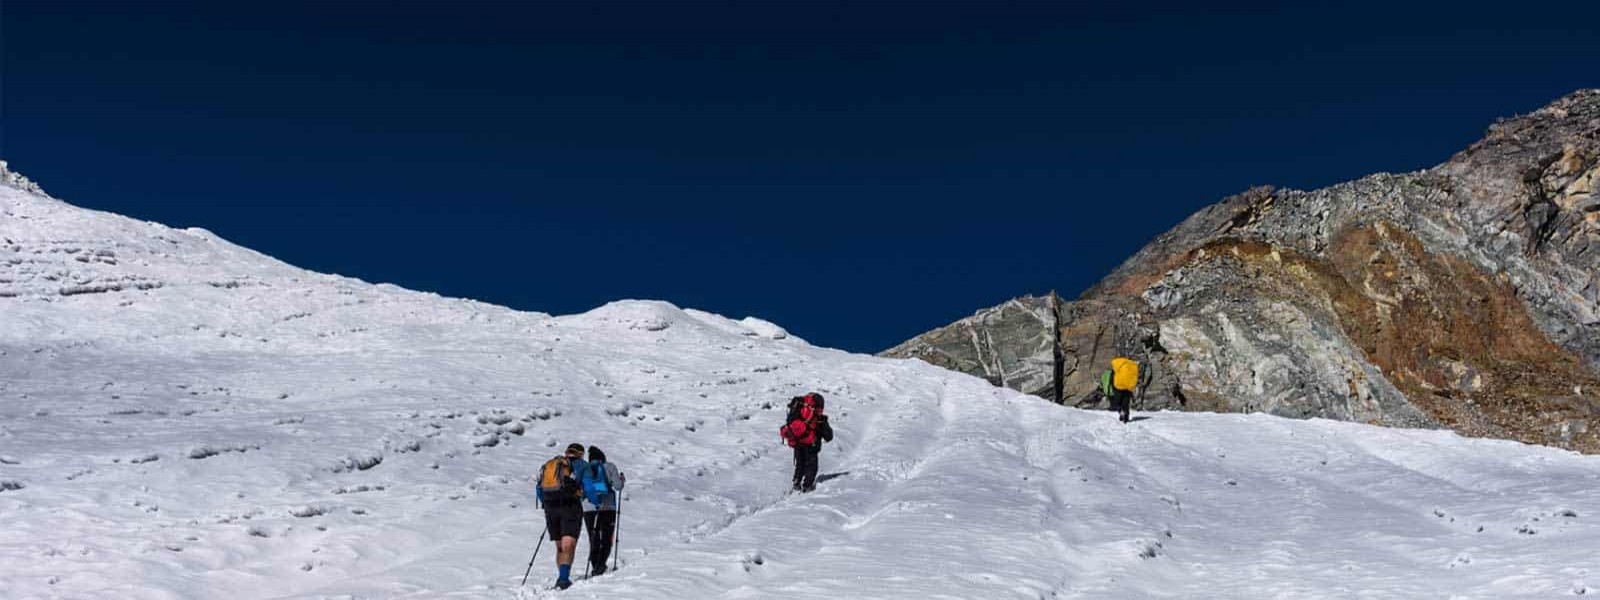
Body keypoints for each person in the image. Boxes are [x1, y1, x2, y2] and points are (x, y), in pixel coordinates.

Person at [536, 443, 587, 590]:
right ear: (580, 454)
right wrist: (594, 501)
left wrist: (547, 504)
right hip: (569, 506)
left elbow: (539, 488)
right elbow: (588, 486)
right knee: (568, 544)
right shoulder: (581, 465)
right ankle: (563, 579)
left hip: (551, 508)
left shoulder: (550, 465)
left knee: (559, 546)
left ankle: (562, 577)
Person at [580, 446, 625, 576]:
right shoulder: (609, 466)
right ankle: (600, 565)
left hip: (588, 507)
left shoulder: (584, 469)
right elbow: (618, 486)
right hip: (607, 505)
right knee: (606, 537)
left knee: (593, 537)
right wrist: (621, 480)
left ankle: (595, 565)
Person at [779, 392, 833, 492]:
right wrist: (824, 423)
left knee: (800, 463)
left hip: (798, 441)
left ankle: (796, 482)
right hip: (811, 444)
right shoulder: (818, 418)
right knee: (812, 466)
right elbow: (829, 437)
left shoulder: (799, 410)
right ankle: (807, 486)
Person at [1108, 356, 1140, 423]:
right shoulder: (1129, 365)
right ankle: (1126, 416)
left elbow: (1112, 377)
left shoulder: (1117, 366)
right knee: (1126, 402)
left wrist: (1111, 385)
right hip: (1127, 387)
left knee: (1118, 402)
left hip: (1118, 387)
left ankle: (1120, 411)